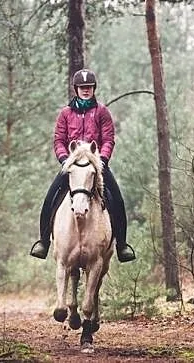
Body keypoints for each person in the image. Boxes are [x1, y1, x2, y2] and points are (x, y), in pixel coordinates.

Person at [30, 68, 136, 263]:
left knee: (118, 200)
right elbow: (59, 140)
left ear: (93, 88)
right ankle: (43, 242)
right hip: (72, 166)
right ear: (76, 89)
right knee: (49, 199)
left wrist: (101, 161)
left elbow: (108, 139)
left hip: (97, 166)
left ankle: (122, 245)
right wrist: (65, 160)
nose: (85, 90)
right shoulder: (65, 114)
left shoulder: (102, 112)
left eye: (88, 87)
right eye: (82, 87)